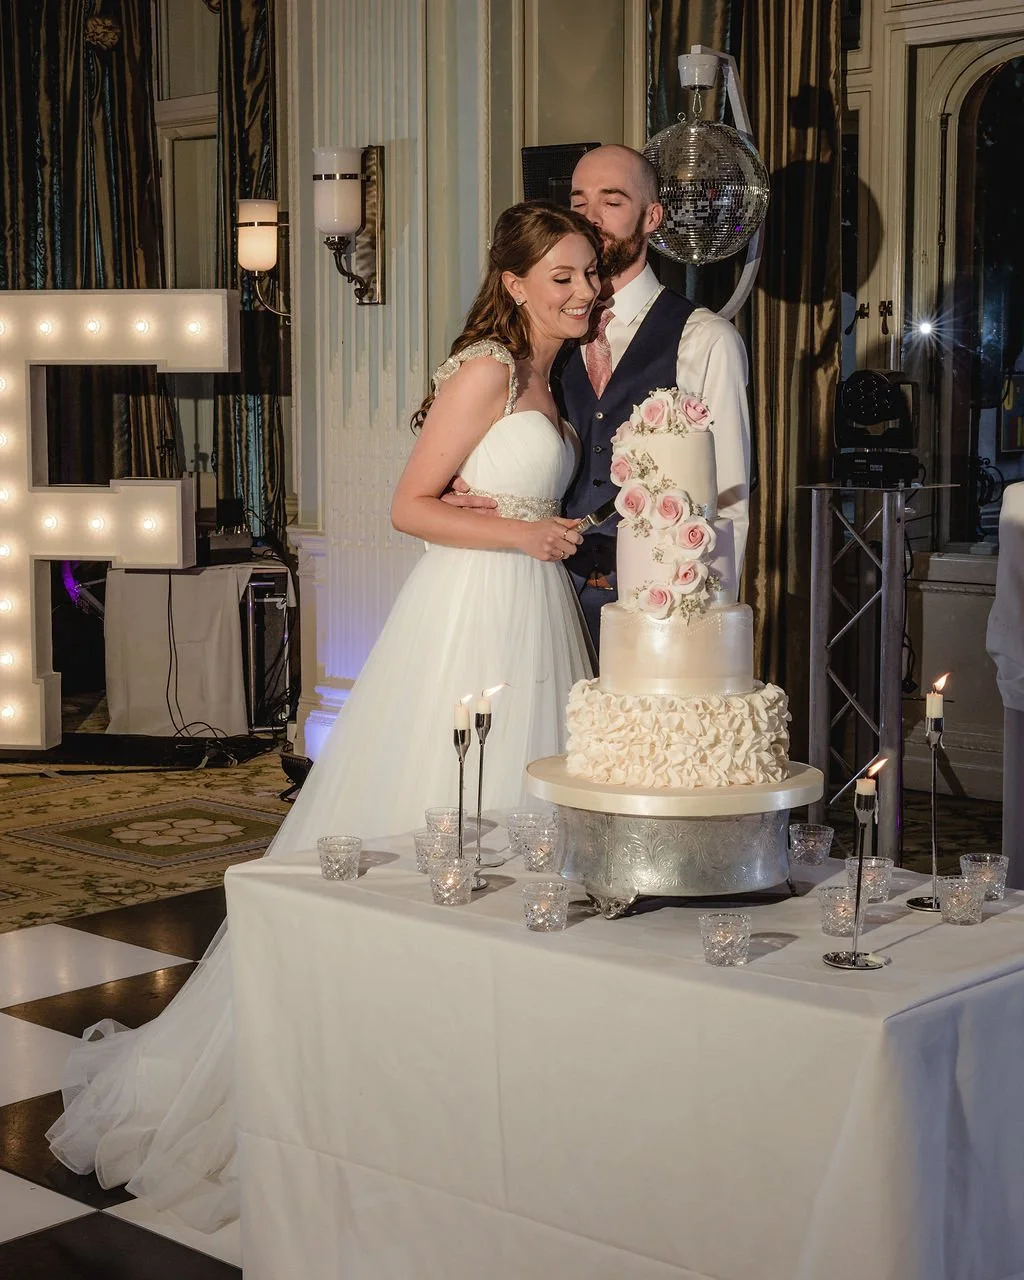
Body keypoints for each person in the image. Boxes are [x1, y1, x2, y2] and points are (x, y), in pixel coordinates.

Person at [45, 200, 601, 1231]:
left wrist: (536, 536)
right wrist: (525, 539)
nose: (584, 290)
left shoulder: (546, 373)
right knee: (443, 817)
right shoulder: (484, 366)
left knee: (526, 819)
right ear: (516, 281)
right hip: (472, 613)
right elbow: (409, 506)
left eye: (588, 275)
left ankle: (493, 1067)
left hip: (528, 608)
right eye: (564, 275)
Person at [560, 144, 752, 647]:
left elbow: (728, 500)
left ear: (652, 217)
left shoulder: (706, 340)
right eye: (579, 204)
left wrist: (703, 630)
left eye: (612, 201)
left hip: (656, 608)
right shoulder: (549, 336)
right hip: (550, 594)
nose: (591, 218)